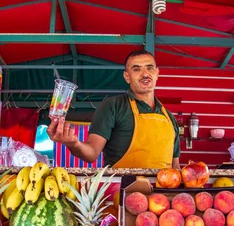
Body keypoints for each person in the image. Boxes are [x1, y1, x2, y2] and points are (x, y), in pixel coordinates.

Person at [47, 49, 180, 169]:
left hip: (160, 193)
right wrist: (74, 144)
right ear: (127, 77)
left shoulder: (170, 119)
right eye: (136, 69)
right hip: (122, 191)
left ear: (157, 73)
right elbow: (91, 153)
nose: (145, 74)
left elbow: (175, 167)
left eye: (150, 68)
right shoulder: (113, 106)